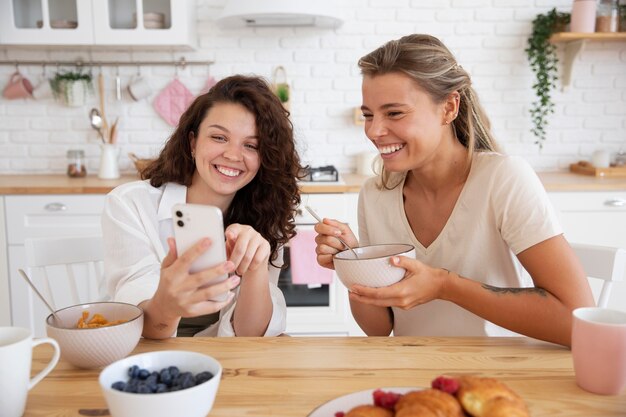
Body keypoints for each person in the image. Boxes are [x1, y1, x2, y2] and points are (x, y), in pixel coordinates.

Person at [313, 34, 594, 347]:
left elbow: (577, 319)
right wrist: (357, 266)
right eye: (368, 114)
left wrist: (445, 286)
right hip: (413, 374)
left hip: (501, 376)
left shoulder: (502, 179)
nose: (374, 131)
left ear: (449, 107)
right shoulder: (376, 193)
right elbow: (378, 330)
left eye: (394, 113)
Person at [102, 75, 303, 338]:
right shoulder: (130, 204)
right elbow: (140, 327)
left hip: (227, 363)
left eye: (251, 145)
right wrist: (167, 302)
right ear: (193, 143)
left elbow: (250, 337)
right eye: (219, 137)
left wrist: (255, 268)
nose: (233, 155)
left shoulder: (266, 216)